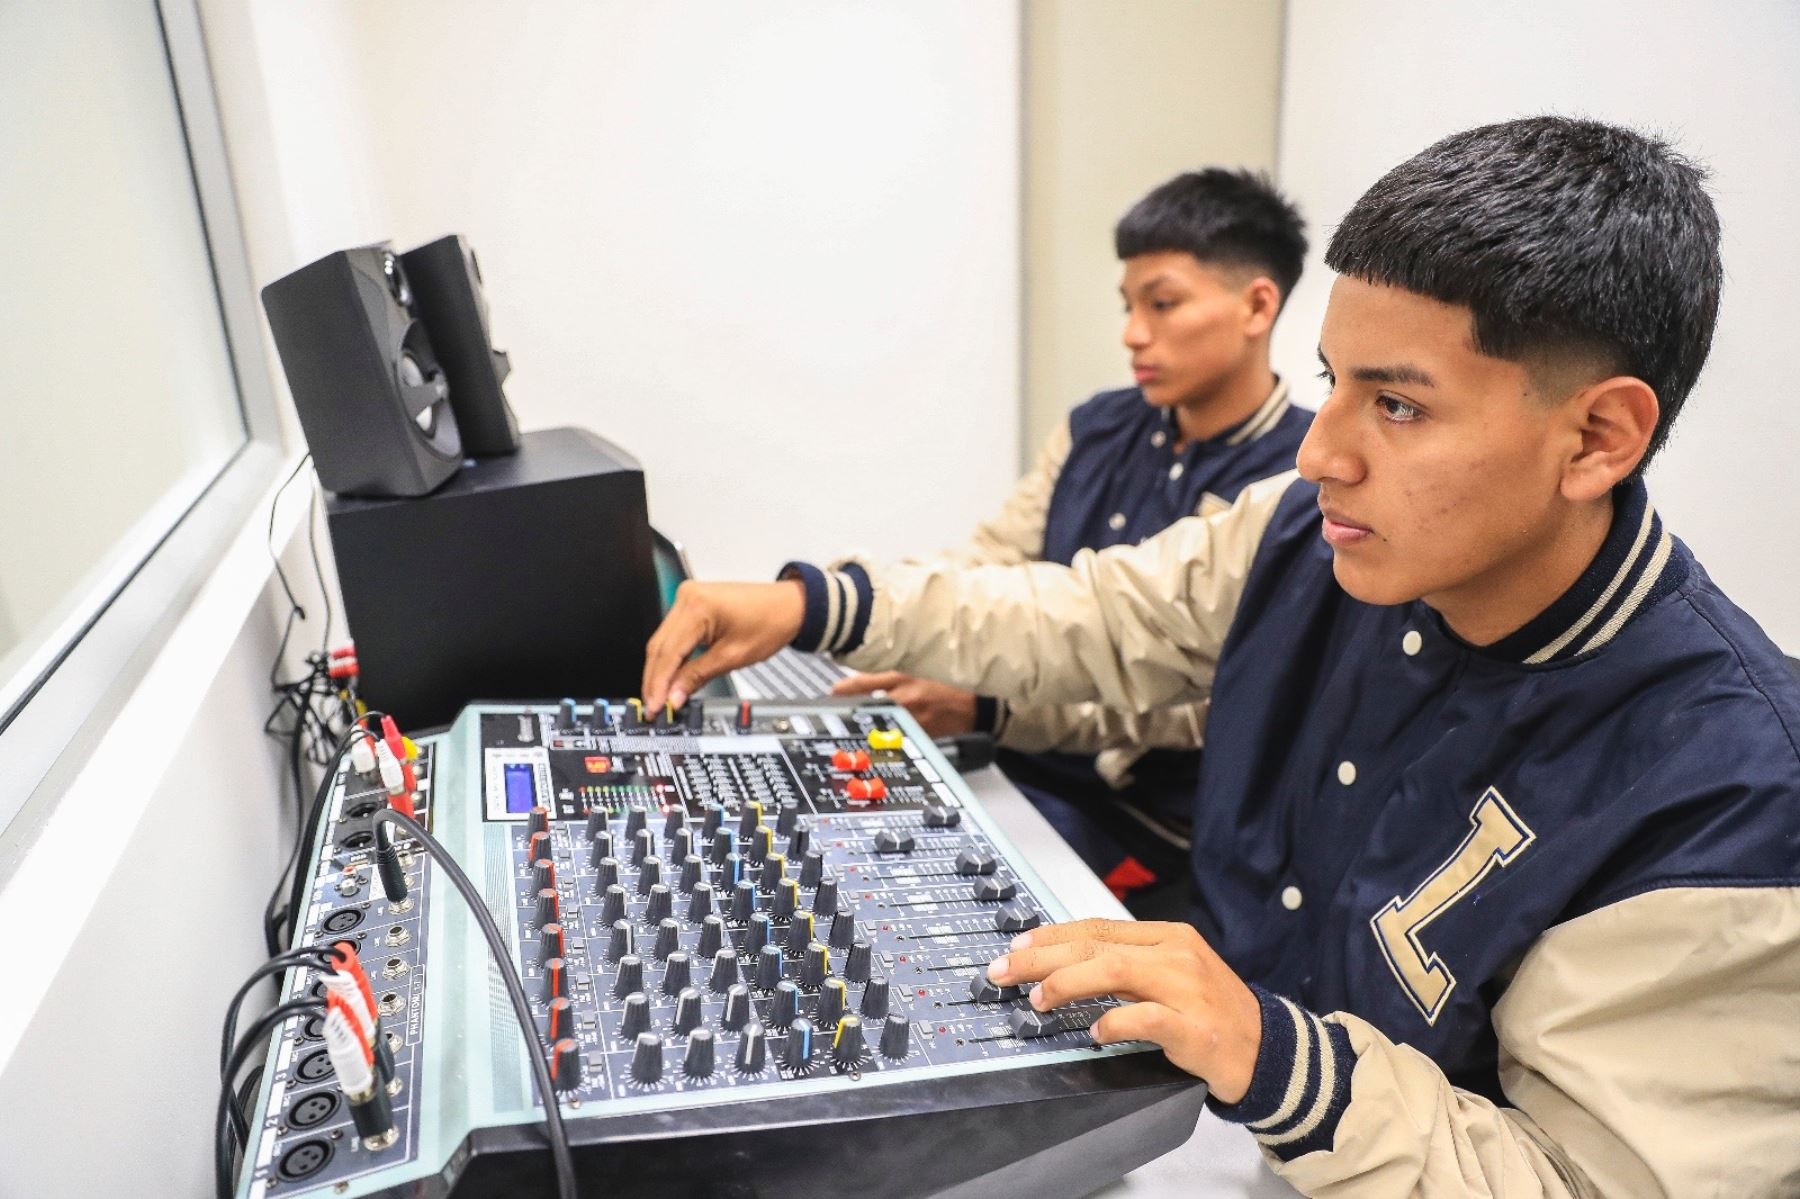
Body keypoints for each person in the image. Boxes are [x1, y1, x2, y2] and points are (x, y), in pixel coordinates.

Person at [642, 117, 1800, 1194]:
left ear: (1596, 436)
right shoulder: (1311, 534)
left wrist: (1277, 1055)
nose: (1321, 455)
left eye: (1397, 406)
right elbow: (1092, 617)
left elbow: (1579, 1180)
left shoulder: (1732, 800)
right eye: (1332, 386)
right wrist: (818, 603)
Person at [833, 168, 1311, 909]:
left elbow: (1208, 703)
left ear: (1257, 305)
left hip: (1144, 821)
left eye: (1163, 303)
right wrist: (868, 613)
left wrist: (988, 706)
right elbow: (991, 559)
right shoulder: (1099, 427)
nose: (1133, 334)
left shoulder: (1299, 481)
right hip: (1010, 761)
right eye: (1128, 306)